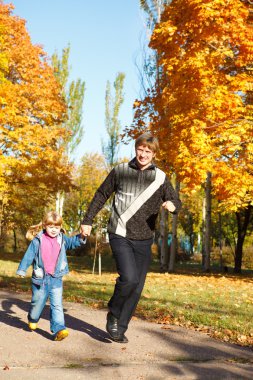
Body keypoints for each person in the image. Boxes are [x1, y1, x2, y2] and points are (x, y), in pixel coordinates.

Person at [81, 132, 181, 343]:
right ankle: (113, 312)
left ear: (154, 154)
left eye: (148, 151)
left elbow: (174, 200)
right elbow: (101, 194)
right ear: (136, 149)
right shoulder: (121, 171)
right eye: (140, 149)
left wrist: (173, 206)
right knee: (129, 278)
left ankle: (119, 327)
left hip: (144, 237)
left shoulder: (160, 177)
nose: (143, 154)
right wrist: (87, 220)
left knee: (137, 286)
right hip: (120, 231)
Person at [17, 211, 86, 341]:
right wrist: (22, 269)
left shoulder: (62, 238)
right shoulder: (38, 240)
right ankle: (33, 318)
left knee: (57, 305)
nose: (54, 230)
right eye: (51, 227)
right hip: (40, 279)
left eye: (57, 227)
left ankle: (59, 329)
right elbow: (29, 255)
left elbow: (72, 242)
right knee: (37, 303)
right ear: (44, 226)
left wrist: (81, 236)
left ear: (60, 227)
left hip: (56, 278)